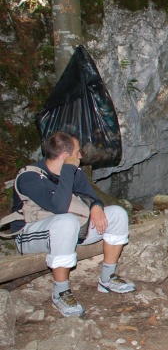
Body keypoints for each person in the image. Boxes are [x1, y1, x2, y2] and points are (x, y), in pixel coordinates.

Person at [10, 131, 136, 317]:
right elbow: (59, 207)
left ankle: (107, 278)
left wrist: (96, 207)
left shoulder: (75, 172)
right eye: (77, 152)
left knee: (117, 214)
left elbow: (92, 197)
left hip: (68, 229)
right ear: (65, 157)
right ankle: (61, 292)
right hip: (30, 234)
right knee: (65, 221)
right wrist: (68, 170)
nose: (81, 156)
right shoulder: (30, 178)